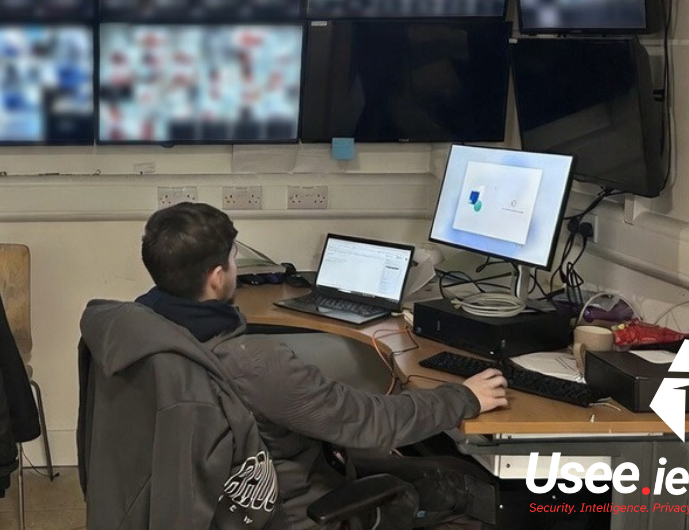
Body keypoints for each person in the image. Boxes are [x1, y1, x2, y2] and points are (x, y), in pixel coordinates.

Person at [135, 202, 507, 530]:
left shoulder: (143, 331)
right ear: (218, 277)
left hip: (221, 497)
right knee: (461, 482)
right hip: (291, 508)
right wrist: (465, 397)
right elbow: (370, 421)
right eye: (234, 259)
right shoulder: (252, 362)